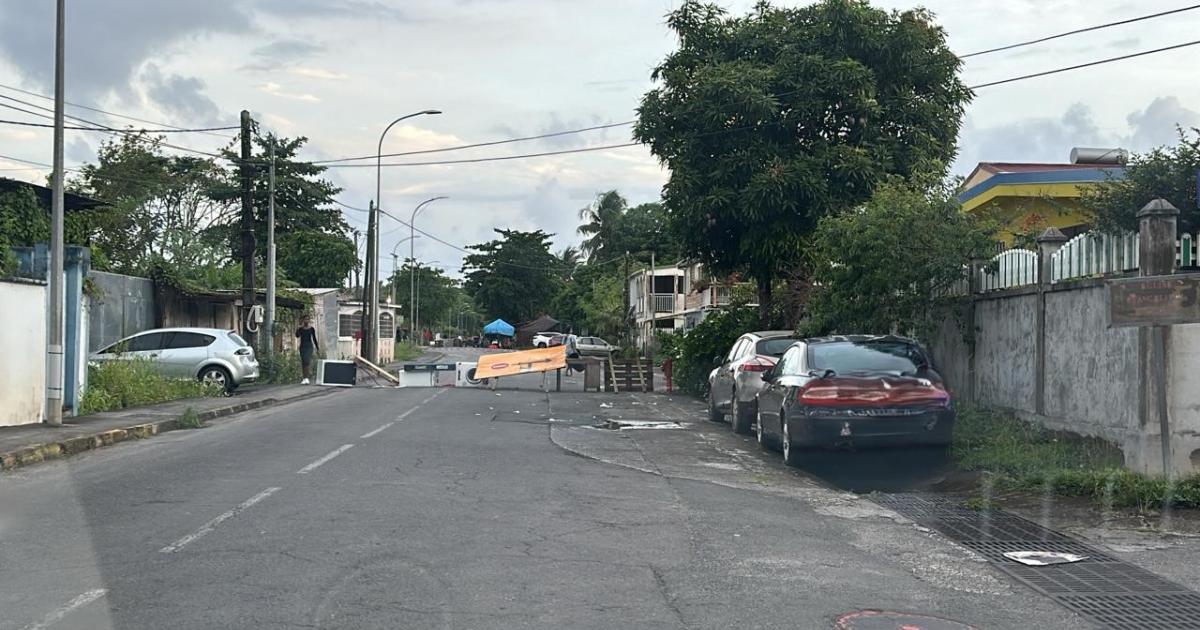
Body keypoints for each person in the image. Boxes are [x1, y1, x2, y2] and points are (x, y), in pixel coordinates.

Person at [295, 317, 320, 385]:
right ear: (303, 320)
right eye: (305, 319)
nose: (306, 320)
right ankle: (304, 378)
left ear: (309, 321)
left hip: (309, 347)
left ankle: (307, 378)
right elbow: (297, 336)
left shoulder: (311, 329)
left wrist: (317, 348)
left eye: (307, 319)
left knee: (307, 361)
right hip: (302, 347)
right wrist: (297, 329)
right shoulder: (300, 329)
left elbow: (314, 338)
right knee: (303, 362)